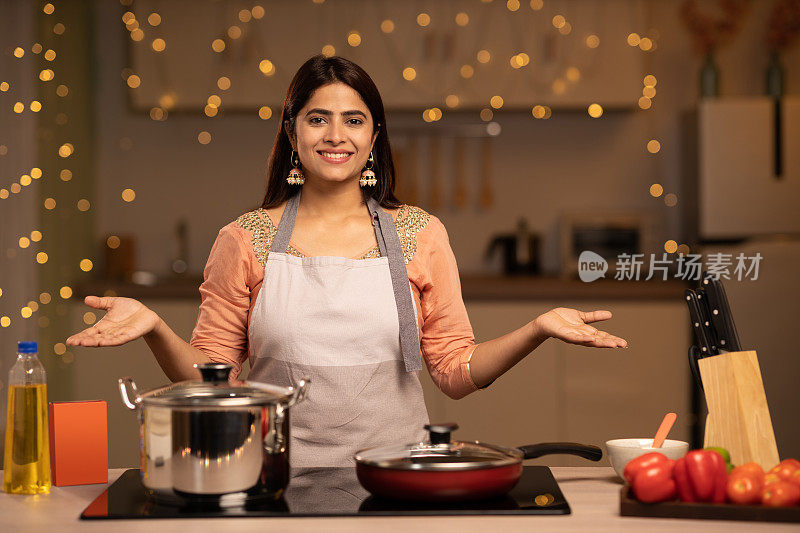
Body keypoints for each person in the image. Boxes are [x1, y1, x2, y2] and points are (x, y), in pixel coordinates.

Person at [67, 55, 628, 468]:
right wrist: (155, 329)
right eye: (317, 119)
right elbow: (215, 380)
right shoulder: (244, 239)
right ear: (292, 133)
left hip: (395, 474)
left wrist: (536, 329)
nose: (336, 136)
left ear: (373, 135)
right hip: (273, 475)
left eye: (354, 120)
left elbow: (454, 373)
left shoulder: (420, 234)